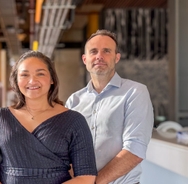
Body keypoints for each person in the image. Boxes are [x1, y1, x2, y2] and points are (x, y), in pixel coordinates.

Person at [0, 50, 97, 184]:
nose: (32, 81)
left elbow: (86, 177)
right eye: (24, 75)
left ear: (52, 79)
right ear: (16, 80)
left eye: (40, 74)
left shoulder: (74, 121)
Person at [65, 29, 154, 184]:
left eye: (106, 51)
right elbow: (66, 150)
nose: (99, 56)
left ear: (116, 57)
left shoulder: (135, 92)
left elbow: (135, 150)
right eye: (94, 51)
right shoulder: (74, 101)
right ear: (85, 59)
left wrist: (93, 183)